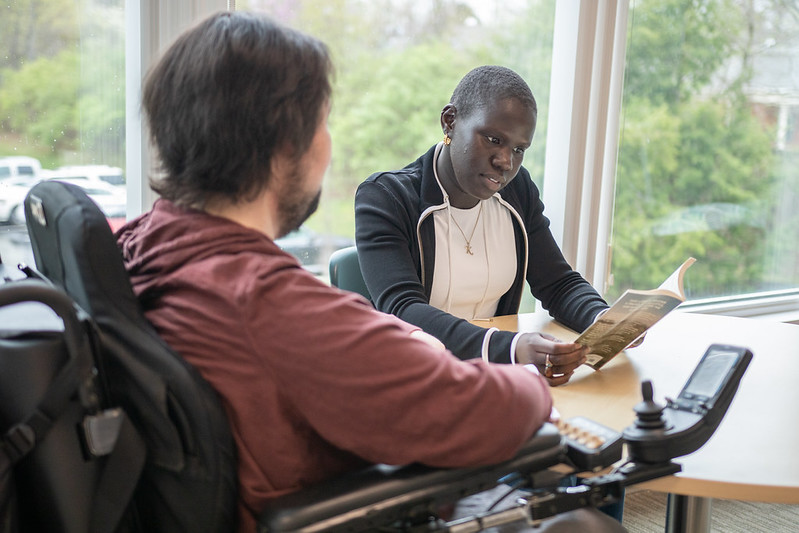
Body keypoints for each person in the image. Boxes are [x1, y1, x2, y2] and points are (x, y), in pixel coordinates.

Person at [117, 12, 625, 533]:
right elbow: (476, 410)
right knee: (588, 524)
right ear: (284, 149)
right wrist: (529, 386)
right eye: (322, 124)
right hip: (349, 506)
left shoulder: (133, 248)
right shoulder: (270, 303)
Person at [354, 65, 611, 386]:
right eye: (493, 140)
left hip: (491, 377)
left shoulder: (517, 191)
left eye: (519, 149)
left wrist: (606, 322)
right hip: (415, 378)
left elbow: (557, 284)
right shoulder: (386, 197)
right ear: (450, 121)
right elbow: (403, 309)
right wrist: (512, 348)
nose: (506, 162)